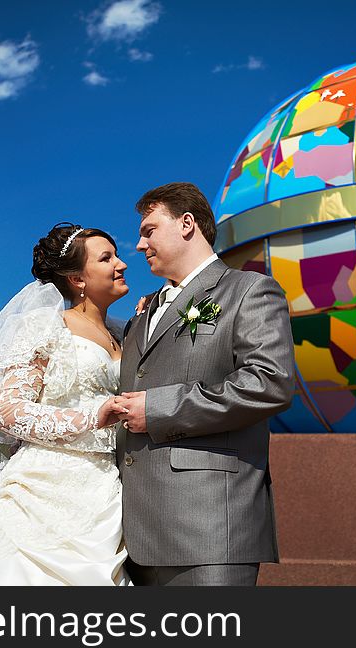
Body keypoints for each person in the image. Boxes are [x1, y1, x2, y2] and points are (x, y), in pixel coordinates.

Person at [116, 182, 295, 586]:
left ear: (186, 224)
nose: (140, 245)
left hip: (210, 530)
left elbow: (269, 382)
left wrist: (159, 409)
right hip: (132, 537)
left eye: (148, 230)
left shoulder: (249, 290)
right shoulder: (141, 315)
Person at [0, 223, 132, 586]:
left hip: (108, 490)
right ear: (77, 279)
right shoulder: (44, 326)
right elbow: (8, 411)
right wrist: (92, 416)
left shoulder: (124, 333)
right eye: (107, 258)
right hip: (43, 490)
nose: (122, 264)